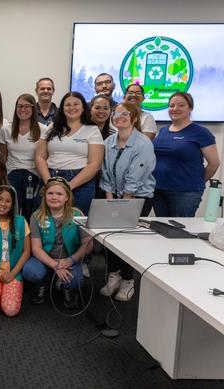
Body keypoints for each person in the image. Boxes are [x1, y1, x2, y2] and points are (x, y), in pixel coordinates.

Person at [99, 102, 156, 301]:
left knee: (127, 239)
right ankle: (113, 275)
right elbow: (105, 172)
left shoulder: (142, 143)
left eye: (125, 114)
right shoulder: (108, 142)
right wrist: (109, 202)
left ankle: (128, 282)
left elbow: (135, 177)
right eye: (116, 113)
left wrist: (123, 205)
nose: (119, 116)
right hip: (113, 195)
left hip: (137, 197)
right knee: (109, 237)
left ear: (133, 118)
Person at [22, 177, 92, 308]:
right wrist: (55, 265)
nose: (54, 197)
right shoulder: (37, 216)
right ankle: (43, 283)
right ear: (44, 196)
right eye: (50, 193)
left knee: (76, 279)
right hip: (45, 259)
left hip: (69, 259)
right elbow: (36, 249)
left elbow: (87, 245)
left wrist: (71, 260)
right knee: (30, 271)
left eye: (59, 194)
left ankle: (69, 290)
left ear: (67, 197)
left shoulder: (77, 214)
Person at [35, 91, 104, 215]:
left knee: (78, 225)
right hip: (51, 177)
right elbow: (39, 157)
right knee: (46, 221)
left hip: (80, 183)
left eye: (76, 104)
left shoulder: (92, 130)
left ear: (83, 108)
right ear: (62, 109)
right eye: (67, 105)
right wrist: (49, 183)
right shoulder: (52, 127)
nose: (72, 108)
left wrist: (70, 185)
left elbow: (95, 164)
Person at [152, 92, 220, 217]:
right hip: (158, 190)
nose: (175, 109)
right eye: (171, 106)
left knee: (180, 232)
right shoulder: (163, 131)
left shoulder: (201, 132)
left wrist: (198, 181)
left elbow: (214, 163)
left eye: (181, 105)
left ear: (190, 108)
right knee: (161, 232)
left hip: (185, 192)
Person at [0, 186, 30, 317]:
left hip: (13, 271)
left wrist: (13, 274)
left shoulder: (21, 221)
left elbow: (27, 252)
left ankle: (8, 291)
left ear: (12, 204)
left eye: (8, 201)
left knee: (11, 311)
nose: (3, 204)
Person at [0, 94, 48, 221]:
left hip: (33, 174)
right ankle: (13, 236)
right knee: (12, 210)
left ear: (34, 109)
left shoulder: (43, 130)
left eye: (27, 106)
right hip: (12, 173)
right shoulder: (7, 130)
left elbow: (44, 156)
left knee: (29, 211)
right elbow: (3, 156)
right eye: (19, 106)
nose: (23, 110)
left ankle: (29, 238)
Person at [90, 94, 115, 199]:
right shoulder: (82, 130)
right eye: (97, 108)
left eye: (106, 108)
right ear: (90, 109)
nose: (101, 111)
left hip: (106, 183)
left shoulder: (114, 134)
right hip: (84, 179)